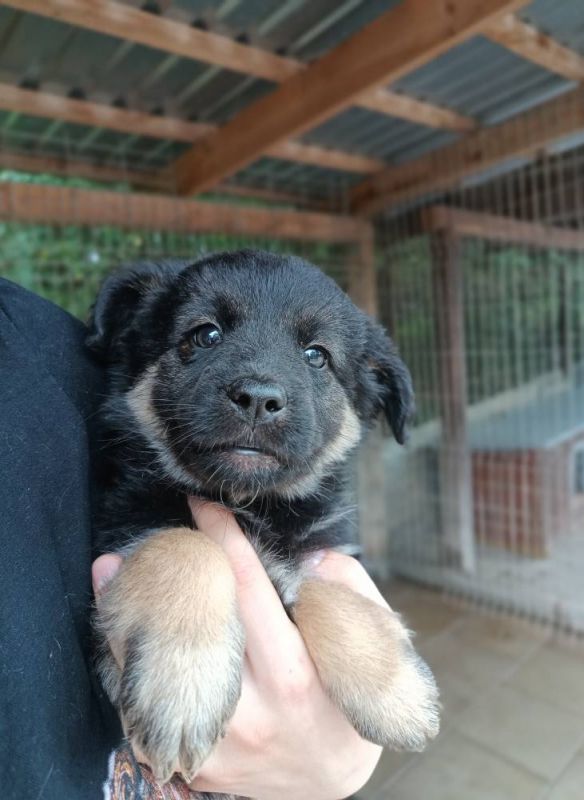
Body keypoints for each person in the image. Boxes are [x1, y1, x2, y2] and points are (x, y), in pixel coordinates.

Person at [0, 278, 383, 800]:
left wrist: (346, 758)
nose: (260, 390)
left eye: (317, 356)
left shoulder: (33, 339)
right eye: (205, 335)